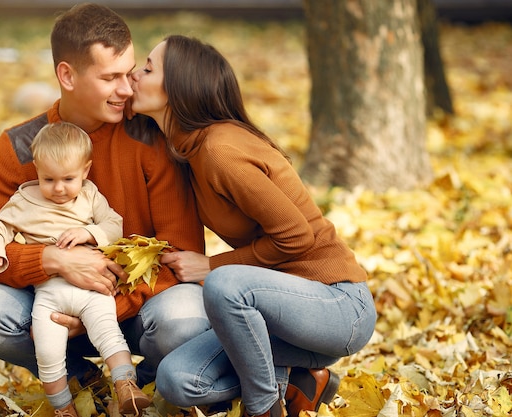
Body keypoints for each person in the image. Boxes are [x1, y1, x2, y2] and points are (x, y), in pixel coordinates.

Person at [0, 3, 209, 407]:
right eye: (110, 78)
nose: (127, 90)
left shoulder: (150, 136)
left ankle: (139, 385)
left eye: (129, 74)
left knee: (188, 318)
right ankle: (81, 380)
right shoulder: (19, 148)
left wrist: (101, 305)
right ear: (67, 75)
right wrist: (54, 262)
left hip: (137, 308)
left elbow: (180, 251)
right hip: (51, 310)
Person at [128, 35, 377, 417]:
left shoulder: (219, 151)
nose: (134, 74)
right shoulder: (188, 152)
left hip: (337, 305)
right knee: (177, 379)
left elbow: (297, 236)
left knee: (226, 284)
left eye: (147, 68)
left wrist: (211, 266)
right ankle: (301, 380)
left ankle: (263, 409)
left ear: (180, 86)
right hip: (278, 319)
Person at [0, 121, 150, 416]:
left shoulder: (90, 195)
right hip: (50, 294)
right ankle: (63, 408)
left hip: (93, 288)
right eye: (49, 179)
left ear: (85, 170)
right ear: (36, 169)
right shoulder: (24, 201)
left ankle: (127, 388)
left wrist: (90, 234)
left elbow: (114, 225)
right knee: (47, 350)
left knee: (108, 332)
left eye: (68, 179)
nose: (59, 188)